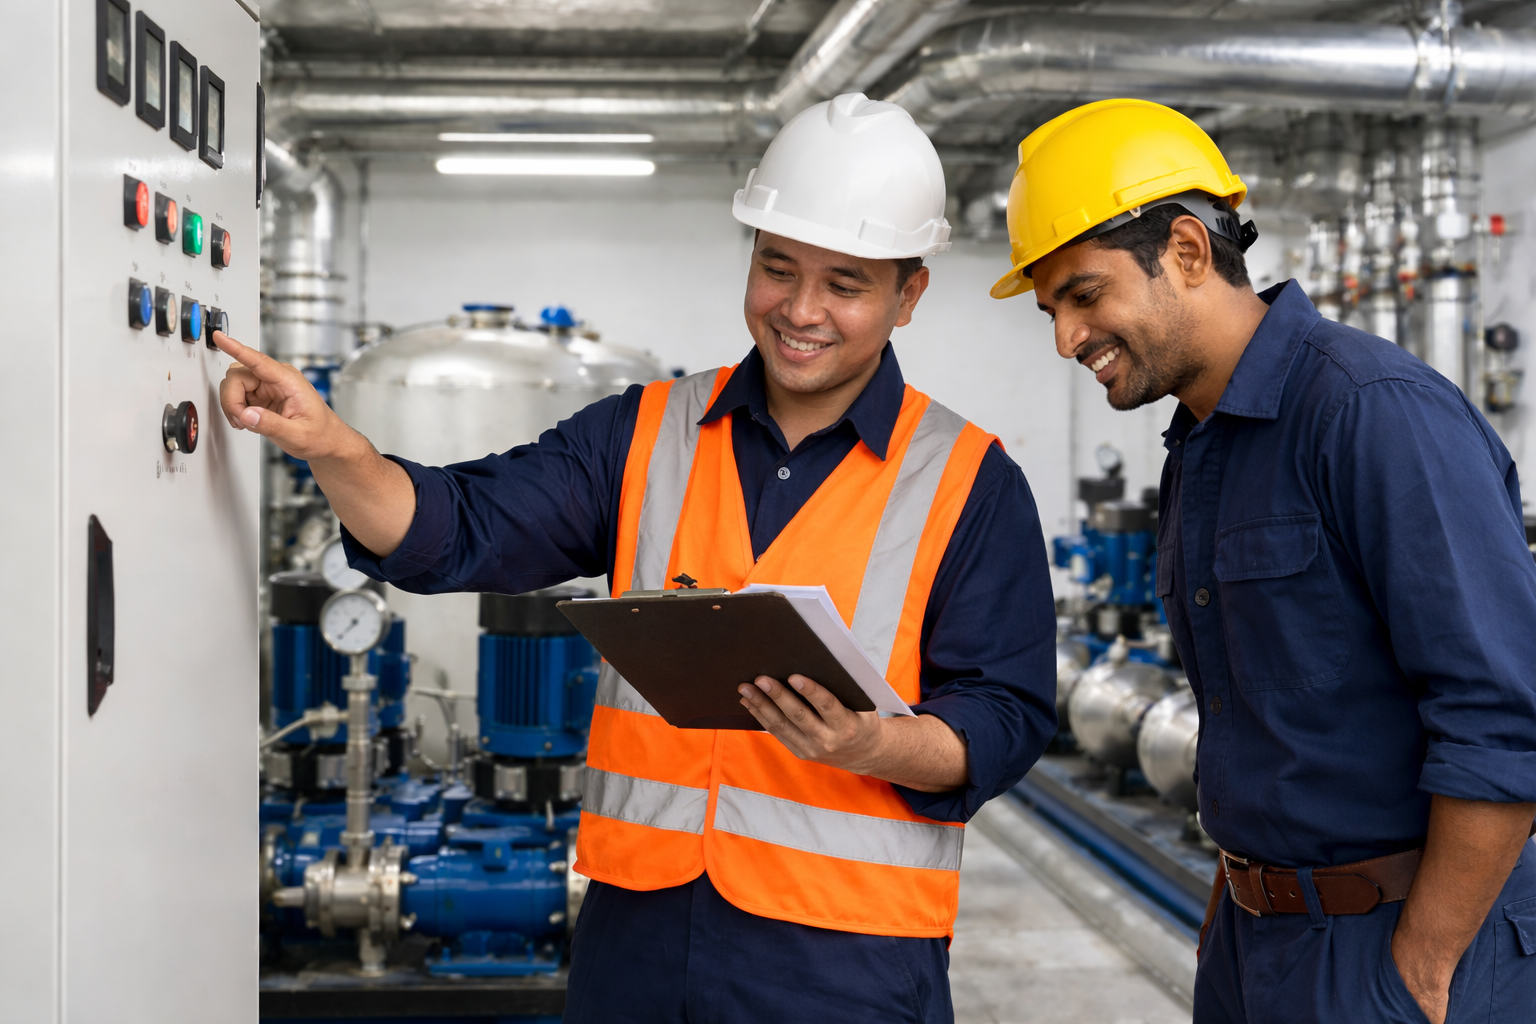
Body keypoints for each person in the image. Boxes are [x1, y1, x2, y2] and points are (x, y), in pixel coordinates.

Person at [215, 93, 1058, 1022]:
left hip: (847, 960)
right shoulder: (646, 434)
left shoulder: (969, 481)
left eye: (846, 284)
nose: (801, 311)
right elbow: (461, 525)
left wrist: (870, 742)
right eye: (777, 269)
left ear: (909, 294)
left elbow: (1004, 717)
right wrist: (334, 447)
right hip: (637, 938)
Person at [992, 96, 1536, 1024]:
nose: (1066, 338)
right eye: (1052, 310)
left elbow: (1502, 717)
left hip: (1394, 944)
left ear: (1189, 253)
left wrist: (1424, 964)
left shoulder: (1373, 412)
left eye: (1085, 296)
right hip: (1257, 940)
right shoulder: (1201, 449)